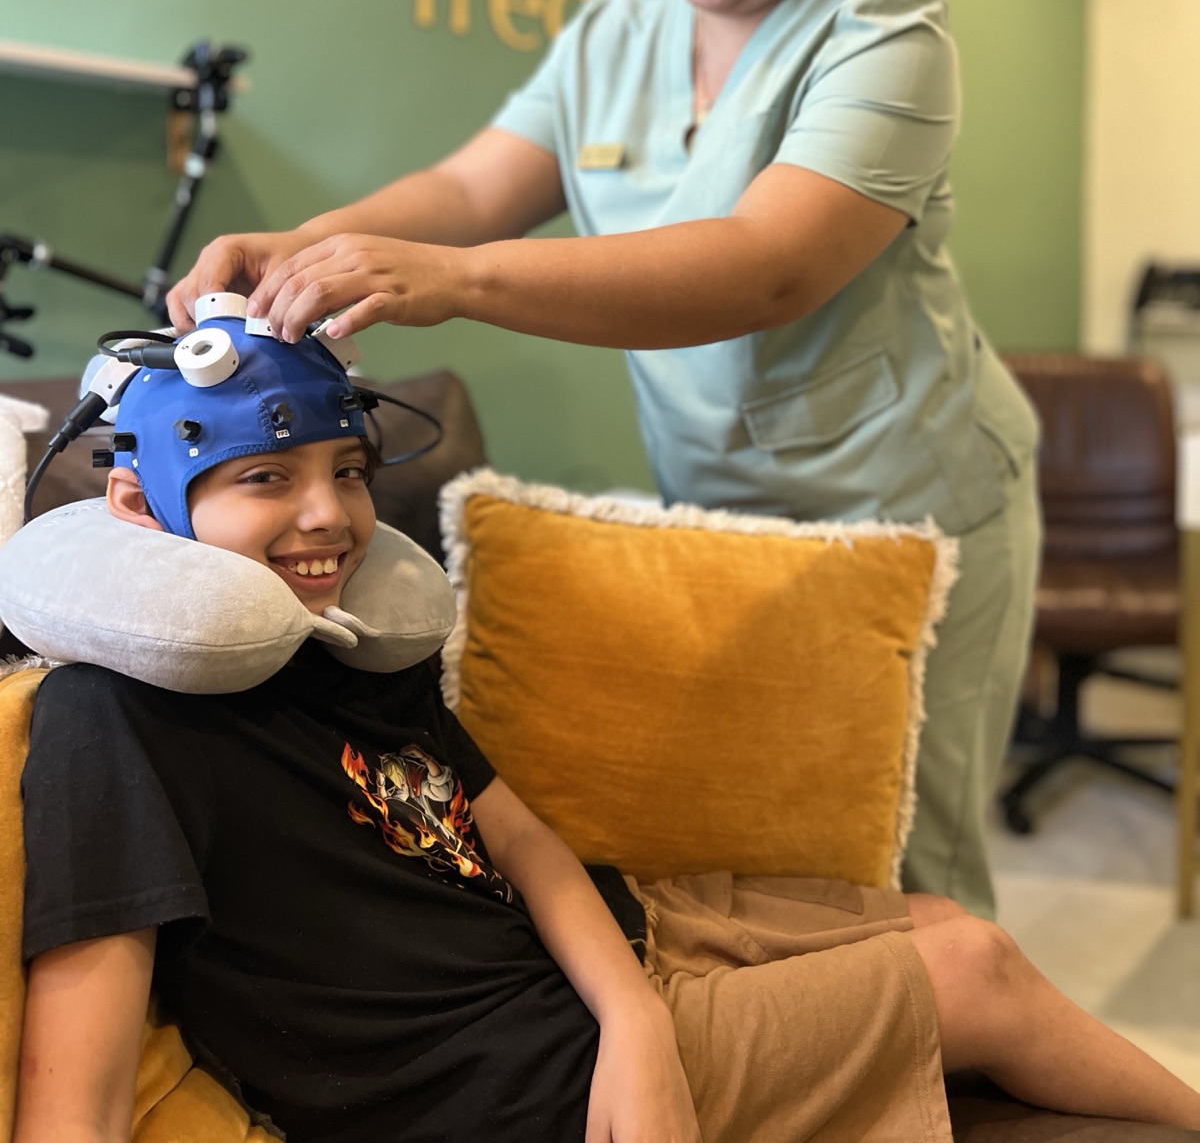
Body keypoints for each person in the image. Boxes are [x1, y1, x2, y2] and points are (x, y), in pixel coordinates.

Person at [169, 0, 1040, 919]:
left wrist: (454, 281)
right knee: (774, 832)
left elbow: (765, 265)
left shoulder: (887, 37)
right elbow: (476, 185)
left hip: (912, 498)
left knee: (907, 854)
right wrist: (302, 244)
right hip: (725, 497)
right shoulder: (608, 36)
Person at [14, 314, 1200, 1142]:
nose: (329, 517)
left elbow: (520, 838)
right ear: (138, 503)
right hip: (506, 1088)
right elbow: (70, 1107)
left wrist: (634, 1013)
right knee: (974, 970)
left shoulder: (339, 636)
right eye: (266, 479)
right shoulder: (108, 720)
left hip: (601, 965)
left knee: (947, 919)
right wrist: (621, 1046)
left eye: (346, 468)